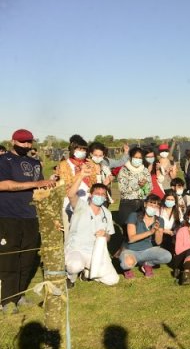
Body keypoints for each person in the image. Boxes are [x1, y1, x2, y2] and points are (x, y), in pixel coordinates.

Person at [0, 129, 57, 313]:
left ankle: (20, 294)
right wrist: (35, 184)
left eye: (29, 142)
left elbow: (40, 189)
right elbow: (3, 185)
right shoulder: (4, 161)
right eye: (23, 142)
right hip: (9, 216)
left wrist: (50, 185)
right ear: (13, 141)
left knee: (27, 257)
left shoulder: (35, 163)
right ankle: (6, 300)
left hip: (31, 216)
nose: (26, 145)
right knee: (10, 257)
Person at [64, 173, 118, 286]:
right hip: (76, 249)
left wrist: (105, 235)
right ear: (91, 195)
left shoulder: (107, 213)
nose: (100, 196)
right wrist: (80, 176)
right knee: (75, 266)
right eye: (97, 193)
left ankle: (87, 273)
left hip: (95, 252)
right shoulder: (80, 206)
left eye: (103, 194)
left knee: (112, 280)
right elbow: (70, 194)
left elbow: (109, 236)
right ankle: (70, 278)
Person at [119, 194, 172, 279]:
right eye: (151, 205)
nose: (153, 208)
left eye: (156, 206)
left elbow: (158, 242)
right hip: (131, 249)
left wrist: (158, 231)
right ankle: (127, 269)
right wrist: (150, 232)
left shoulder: (160, 220)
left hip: (148, 250)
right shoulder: (134, 216)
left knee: (167, 256)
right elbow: (132, 238)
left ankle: (147, 264)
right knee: (127, 264)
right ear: (145, 204)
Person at [117, 147, 152, 233]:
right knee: (127, 230)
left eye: (140, 158)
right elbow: (122, 189)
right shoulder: (124, 170)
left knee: (141, 229)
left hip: (141, 203)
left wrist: (144, 186)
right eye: (136, 157)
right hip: (127, 203)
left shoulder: (145, 170)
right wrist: (138, 185)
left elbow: (149, 188)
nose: (138, 160)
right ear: (131, 157)